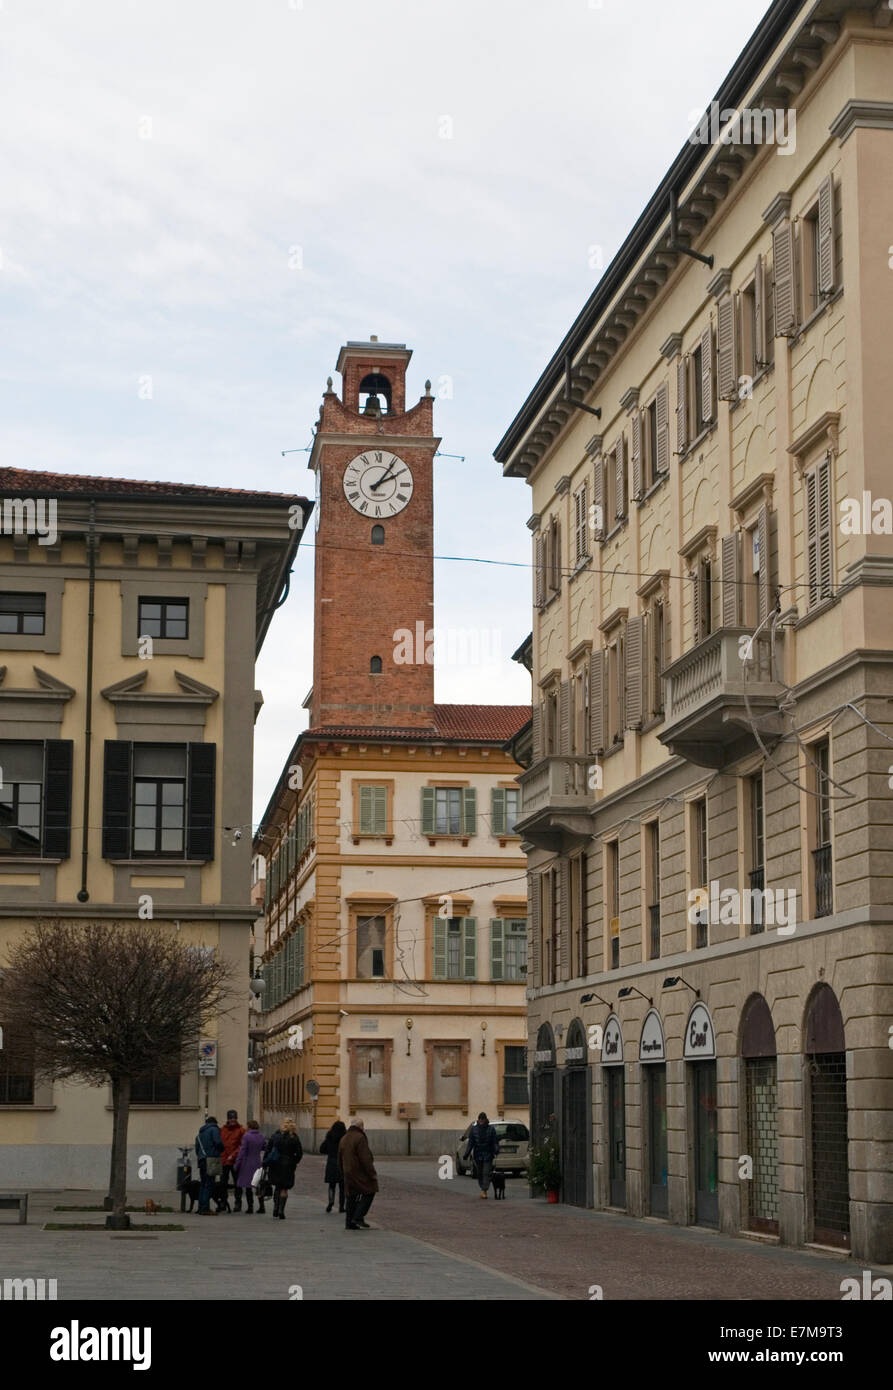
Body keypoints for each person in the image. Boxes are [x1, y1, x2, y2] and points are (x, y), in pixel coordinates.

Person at [338, 1118, 378, 1230]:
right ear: (361, 1126)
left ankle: (349, 1222)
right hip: (359, 1172)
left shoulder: (344, 1138)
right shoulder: (360, 1137)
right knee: (370, 1191)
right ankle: (358, 1216)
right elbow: (365, 1158)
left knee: (351, 1196)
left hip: (347, 1172)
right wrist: (372, 1173)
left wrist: (342, 1171)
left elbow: (339, 1158)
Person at [264, 1116, 303, 1219]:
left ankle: (275, 1208)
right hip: (288, 1165)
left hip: (275, 1164)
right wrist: (294, 1161)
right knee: (284, 1189)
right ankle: (281, 1210)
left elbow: (268, 1150)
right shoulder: (294, 1137)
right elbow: (299, 1153)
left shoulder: (275, 1136)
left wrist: (265, 1162)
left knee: (277, 1186)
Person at [233, 1119, 267, 1214]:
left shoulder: (246, 1136)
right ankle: (261, 1206)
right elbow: (265, 1147)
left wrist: (237, 1163)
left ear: (249, 1127)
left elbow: (242, 1151)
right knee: (258, 1185)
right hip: (257, 1162)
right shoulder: (261, 1136)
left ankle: (250, 1207)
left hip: (247, 1163)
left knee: (248, 1186)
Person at [463, 1111, 500, 1199]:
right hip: (478, 1155)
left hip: (488, 1154)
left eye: (483, 1119)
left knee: (486, 1172)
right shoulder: (474, 1129)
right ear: (478, 1120)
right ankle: (482, 1187)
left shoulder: (491, 1129)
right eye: (480, 1119)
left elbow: (495, 1141)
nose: (481, 1121)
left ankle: (484, 1190)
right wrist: (466, 1154)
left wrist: (496, 1149)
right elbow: (470, 1143)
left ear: (486, 1119)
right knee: (479, 1173)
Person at [195, 1114, 224, 1216]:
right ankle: (205, 1208)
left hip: (201, 1160)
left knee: (203, 1184)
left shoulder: (199, 1134)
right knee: (209, 1184)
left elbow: (197, 1149)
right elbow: (218, 1142)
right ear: (215, 1123)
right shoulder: (214, 1130)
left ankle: (200, 1207)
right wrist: (221, 1149)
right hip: (211, 1159)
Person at [220, 1109, 247, 1211]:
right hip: (224, 1160)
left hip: (235, 1160)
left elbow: (242, 1145)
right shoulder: (222, 1130)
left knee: (237, 1183)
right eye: (231, 1118)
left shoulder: (241, 1130)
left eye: (234, 1118)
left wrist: (234, 1155)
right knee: (223, 1183)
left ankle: (238, 1202)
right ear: (228, 1119)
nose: (232, 1120)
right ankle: (223, 1202)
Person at [320, 1120, 347, 1213]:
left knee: (332, 1185)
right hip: (342, 1163)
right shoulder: (345, 1138)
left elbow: (322, 1149)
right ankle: (341, 1206)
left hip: (331, 1162)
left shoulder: (329, 1137)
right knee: (342, 1186)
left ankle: (330, 1202)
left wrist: (330, 1151)